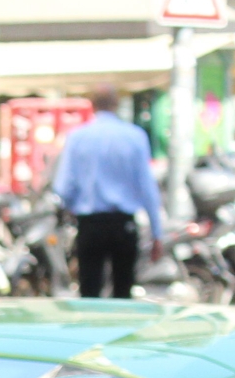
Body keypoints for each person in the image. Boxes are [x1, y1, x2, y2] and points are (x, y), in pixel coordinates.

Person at [49, 84, 166, 298]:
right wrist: (157, 233)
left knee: (90, 291)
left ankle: (92, 330)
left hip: (90, 224)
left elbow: (63, 187)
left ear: (92, 105)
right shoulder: (135, 136)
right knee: (123, 291)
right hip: (123, 224)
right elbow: (148, 188)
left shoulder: (77, 137)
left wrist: (70, 208)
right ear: (117, 104)